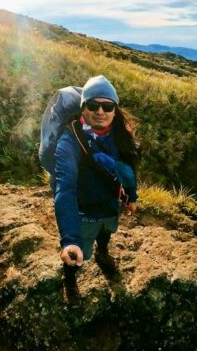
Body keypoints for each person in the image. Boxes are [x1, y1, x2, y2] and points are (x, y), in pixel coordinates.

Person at [53, 75, 139, 297]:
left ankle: (102, 253)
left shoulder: (121, 136)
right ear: (83, 109)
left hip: (110, 204)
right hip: (84, 212)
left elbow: (128, 170)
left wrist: (131, 196)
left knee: (106, 231)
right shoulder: (69, 143)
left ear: (114, 110)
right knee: (77, 253)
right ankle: (70, 280)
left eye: (107, 106)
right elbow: (65, 190)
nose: (100, 111)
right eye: (93, 105)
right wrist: (70, 240)